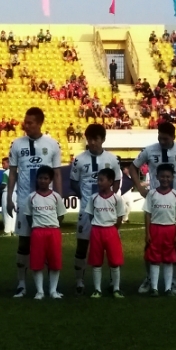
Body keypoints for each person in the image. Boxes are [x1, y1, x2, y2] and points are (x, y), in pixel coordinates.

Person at [130, 122, 176, 294]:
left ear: (173, 137)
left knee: (175, 244)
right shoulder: (150, 150)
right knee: (150, 245)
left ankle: (172, 281)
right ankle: (150, 279)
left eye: (165, 138)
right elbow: (133, 167)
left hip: (173, 202)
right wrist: (140, 187)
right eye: (159, 137)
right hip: (156, 200)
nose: (162, 141)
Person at [6, 107, 62, 298]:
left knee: (47, 245)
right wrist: (9, 197)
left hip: (46, 203)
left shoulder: (52, 144)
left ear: (39, 123)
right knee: (23, 243)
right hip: (24, 201)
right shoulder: (16, 144)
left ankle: (49, 288)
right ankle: (21, 284)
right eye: (25, 121)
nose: (26, 125)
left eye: (30, 122)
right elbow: (12, 173)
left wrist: (59, 199)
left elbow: (57, 174)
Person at [69, 124, 121, 294]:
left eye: (95, 139)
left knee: (111, 247)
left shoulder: (112, 159)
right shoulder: (79, 159)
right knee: (82, 245)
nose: (92, 142)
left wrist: (109, 199)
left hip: (107, 212)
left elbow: (117, 180)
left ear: (102, 140)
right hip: (86, 211)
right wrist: (86, 200)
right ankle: (79, 282)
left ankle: (114, 283)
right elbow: (74, 183)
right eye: (89, 139)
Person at [22, 166, 67, 299]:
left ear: (50, 180)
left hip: (53, 231)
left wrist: (53, 225)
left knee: (55, 262)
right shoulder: (32, 197)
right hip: (37, 232)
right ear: (37, 179)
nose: (43, 180)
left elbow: (61, 215)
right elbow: (29, 216)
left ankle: (53, 290)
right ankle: (40, 291)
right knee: (37, 263)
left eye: (46, 178)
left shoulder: (56, 197)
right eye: (40, 178)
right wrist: (36, 227)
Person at [143, 164, 176, 297]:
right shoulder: (152, 194)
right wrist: (148, 233)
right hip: (155, 228)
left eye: (168, 176)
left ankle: (168, 288)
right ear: (157, 177)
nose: (165, 179)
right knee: (154, 259)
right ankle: (154, 288)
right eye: (162, 176)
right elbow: (148, 214)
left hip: (170, 229)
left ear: (172, 177)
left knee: (168, 259)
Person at [84, 168, 126, 298]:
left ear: (110, 181)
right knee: (96, 262)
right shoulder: (93, 198)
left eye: (102, 180)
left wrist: (113, 228)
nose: (99, 182)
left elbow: (120, 217)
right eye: (98, 180)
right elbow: (91, 215)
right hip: (97, 231)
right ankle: (97, 289)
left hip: (111, 230)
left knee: (114, 261)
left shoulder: (117, 199)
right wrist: (98, 224)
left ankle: (116, 288)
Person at [0, 157, 16, 237]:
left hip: (7, 193)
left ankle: (7, 231)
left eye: (4, 163)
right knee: (14, 212)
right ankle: (13, 230)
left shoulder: (6, 173)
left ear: (9, 163)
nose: (2, 165)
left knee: (6, 212)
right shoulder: (17, 172)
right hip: (16, 193)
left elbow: (3, 185)